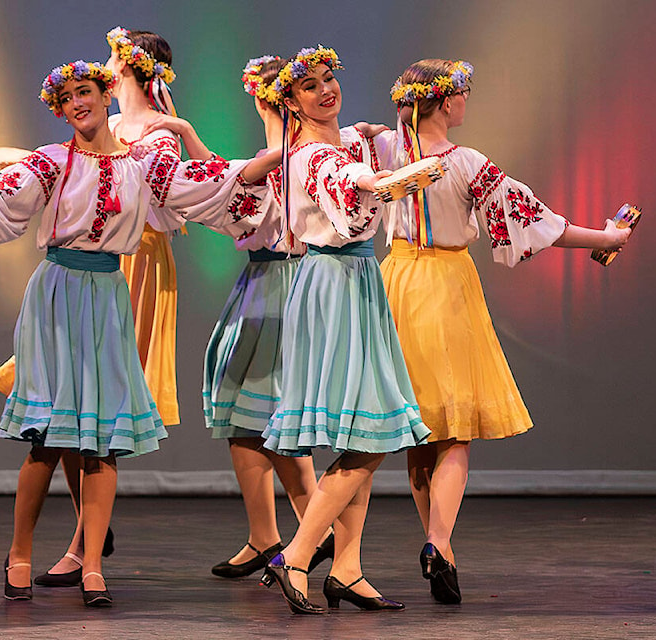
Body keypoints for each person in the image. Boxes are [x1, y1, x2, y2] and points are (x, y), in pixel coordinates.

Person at [0, 60, 277, 607]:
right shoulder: (51, 161)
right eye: (66, 98)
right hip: (58, 294)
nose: (77, 104)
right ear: (59, 109)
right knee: (46, 437)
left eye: (84, 92)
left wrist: (283, 156)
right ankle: (18, 554)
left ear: (104, 93)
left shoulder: (143, 167)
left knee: (102, 441)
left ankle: (92, 565)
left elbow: (206, 183)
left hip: (108, 296)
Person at [376, 59, 633, 604]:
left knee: (420, 425)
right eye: (463, 94)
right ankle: (438, 544)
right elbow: (532, 218)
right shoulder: (465, 162)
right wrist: (605, 238)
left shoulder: (384, 152)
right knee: (455, 425)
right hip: (445, 285)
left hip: (395, 280)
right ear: (446, 102)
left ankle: (439, 547)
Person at [258, 46, 431, 614]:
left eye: (329, 78)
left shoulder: (349, 139)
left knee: (365, 433)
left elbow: (369, 151)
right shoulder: (309, 155)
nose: (325, 90)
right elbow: (348, 180)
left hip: (357, 279)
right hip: (334, 281)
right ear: (291, 101)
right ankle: (300, 554)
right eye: (309, 86)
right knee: (369, 433)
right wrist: (382, 180)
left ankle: (349, 569)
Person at [34, 25, 192, 590]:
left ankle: (84, 542)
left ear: (129, 65)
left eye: (112, 58)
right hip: (84, 264)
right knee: (68, 399)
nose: (104, 64)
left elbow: (168, 197)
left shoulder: (155, 131)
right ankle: (87, 532)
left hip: (133, 262)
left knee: (98, 403)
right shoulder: (104, 121)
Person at [202, 56, 332, 579]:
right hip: (259, 283)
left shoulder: (302, 154)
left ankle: (313, 535)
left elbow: (250, 185)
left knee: (278, 415)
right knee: (242, 414)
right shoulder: (273, 153)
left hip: (289, 283)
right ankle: (265, 536)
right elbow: (218, 190)